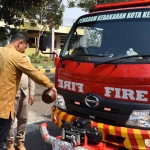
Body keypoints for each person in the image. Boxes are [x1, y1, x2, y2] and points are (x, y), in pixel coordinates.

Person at [0, 32, 57, 150]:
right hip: (3, 108)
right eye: (25, 47)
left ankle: (18, 142)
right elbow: (34, 73)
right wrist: (50, 85)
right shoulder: (17, 56)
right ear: (19, 43)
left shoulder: (1, 51)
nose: (24, 51)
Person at [7, 56, 35, 150]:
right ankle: (10, 142)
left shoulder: (26, 58)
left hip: (25, 93)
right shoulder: (8, 56)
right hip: (11, 93)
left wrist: (31, 93)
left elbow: (31, 75)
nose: (25, 48)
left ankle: (20, 141)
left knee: (23, 118)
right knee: (10, 119)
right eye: (25, 45)